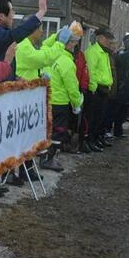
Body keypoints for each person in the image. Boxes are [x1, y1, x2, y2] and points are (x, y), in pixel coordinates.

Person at [43, 27, 83, 171]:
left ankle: (44, 156)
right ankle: (50, 158)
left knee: (46, 130)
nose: (75, 45)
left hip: (46, 99)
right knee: (57, 131)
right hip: (60, 102)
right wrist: (77, 102)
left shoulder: (49, 55)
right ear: (69, 43)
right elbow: (72, 86)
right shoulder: (66, 61)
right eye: (73, 42)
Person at [0, 0, 48, 67]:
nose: (14, 14)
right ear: (1, 16)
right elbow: (16, 33)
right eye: (11, 11)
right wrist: (41, 12)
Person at [84, 27, 114, 152]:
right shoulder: (93, 51)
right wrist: (93, 89)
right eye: (106, 38)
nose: (108, 41)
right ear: (99, 37)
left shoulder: (104, 52)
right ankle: (89, 140)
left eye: (109, 39)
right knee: (92, 118)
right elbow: (91, 71)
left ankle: (95, 138)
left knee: (99, 117)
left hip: (104, 88)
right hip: (96, 90)